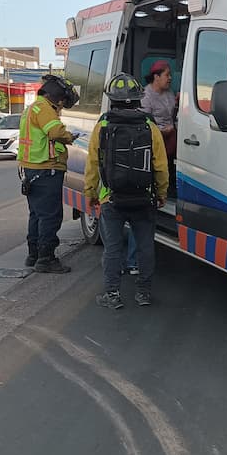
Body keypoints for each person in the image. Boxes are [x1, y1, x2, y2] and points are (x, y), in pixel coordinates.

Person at [85, 73, 169, 309]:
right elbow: (160, 165)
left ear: (111, 99)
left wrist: (90, 193)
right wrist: (161, 193)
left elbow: (93, 163)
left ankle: (112, 295)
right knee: (145, 246)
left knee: (112, 249)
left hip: (111, 198)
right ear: (138, 98)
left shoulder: (102, 124)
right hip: (144, 197)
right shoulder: (150, 125)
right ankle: (143, 293)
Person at [18, 74, 80, 274]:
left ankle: (33, 254)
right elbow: (55, 133)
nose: (61, 106)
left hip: (33, 168)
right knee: (51, 216)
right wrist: (69, 137)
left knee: (37, 214)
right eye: (62, 102)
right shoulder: (44, 109)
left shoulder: (32, 108)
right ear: (56, 96)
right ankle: (46, 259)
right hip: (46, 167)